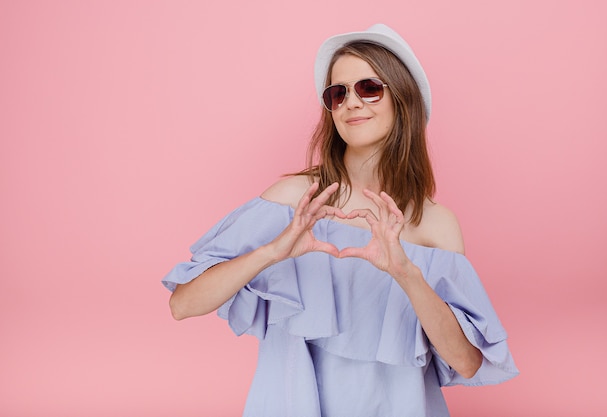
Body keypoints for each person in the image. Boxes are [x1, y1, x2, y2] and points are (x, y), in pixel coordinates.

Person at [163, 23, 518, 417]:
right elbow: (183, 304)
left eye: (369, 88)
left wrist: (405, 272)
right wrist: (273, 251)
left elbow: (467, 363)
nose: (351, 102)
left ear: (403, 99)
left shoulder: (436, 225)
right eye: (338, 93)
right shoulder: (296, 202)